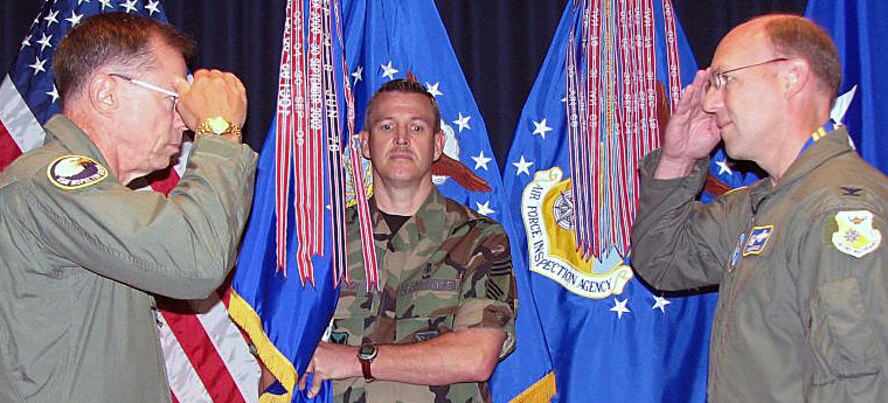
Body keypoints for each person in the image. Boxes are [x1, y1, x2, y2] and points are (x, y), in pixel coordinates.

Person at [0, 12, 257, 403]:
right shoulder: (48, 184)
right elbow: (197, 259)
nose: (185, 123)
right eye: (174, 100)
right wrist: (219, 129)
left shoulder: (99, 199)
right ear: (106, 94)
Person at [631, 14, 888, 402]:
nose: (710, 101)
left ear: (791, 77)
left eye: (724, 80)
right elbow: (662, 259)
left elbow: (858, 388)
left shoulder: (837, 211)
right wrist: (679, 160)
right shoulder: (767, 203)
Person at [279, 79, 516, 402]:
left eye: (417, 128)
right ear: (364, 143)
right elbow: (277, 351)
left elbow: (476, 356)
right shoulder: (319, 242)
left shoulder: (478, 237)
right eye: (387, 126)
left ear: (437, 146)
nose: (402, 139)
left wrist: (353, 359)